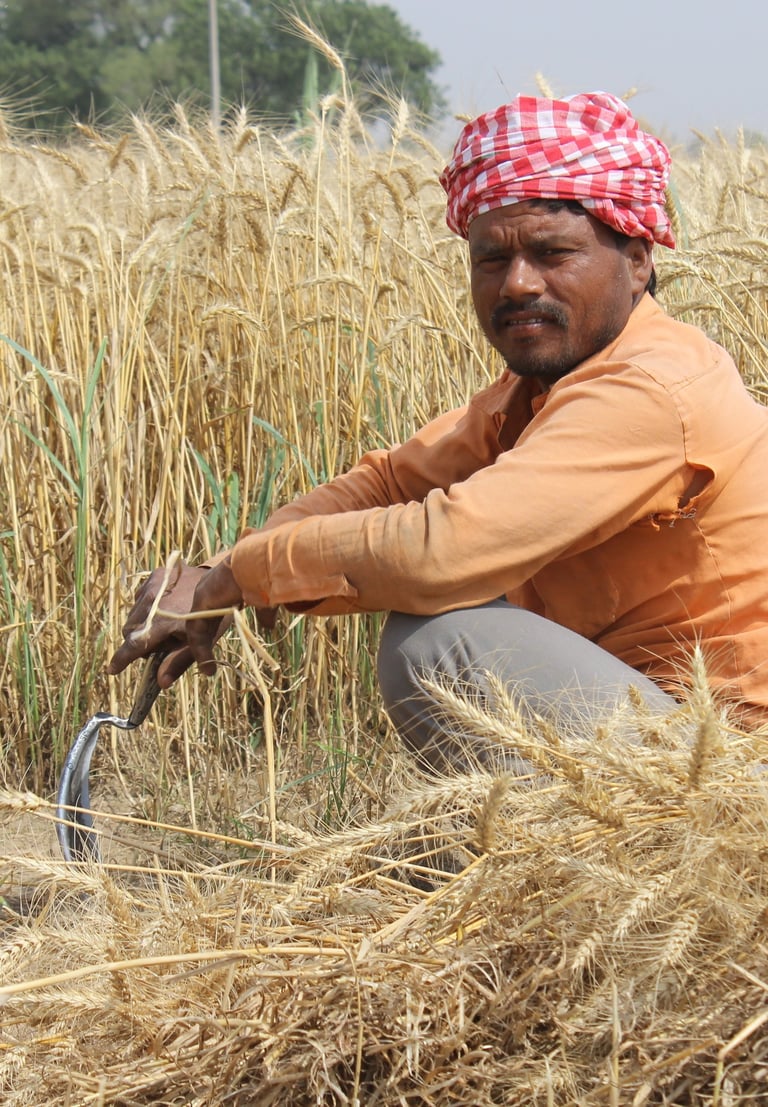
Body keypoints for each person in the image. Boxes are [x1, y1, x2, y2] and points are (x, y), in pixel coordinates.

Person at [108, 91, 768, 772]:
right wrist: (224, 568)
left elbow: (444, 551)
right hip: (668, 735)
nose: (516, 283)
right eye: (490, 259)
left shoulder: (651, 389)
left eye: (552, 252)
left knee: (439, 642)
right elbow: (389, 481)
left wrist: (242, 576)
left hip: (733, 766)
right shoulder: (541, 390)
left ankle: (588, 862)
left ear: (636, 261)